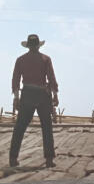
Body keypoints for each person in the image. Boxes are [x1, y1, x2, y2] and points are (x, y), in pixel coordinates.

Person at [10, 34, 59, 170]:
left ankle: (13, 158)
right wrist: (55, 95)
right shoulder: (45, 59)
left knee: (20, 126)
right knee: (46, 127)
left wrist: (16, 97)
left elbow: (15, 80)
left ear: (28, 46)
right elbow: (51, 78)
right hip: (43, 95)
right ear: (38, 46)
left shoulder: (21, 60)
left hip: (27, 94)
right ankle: (49, 159)